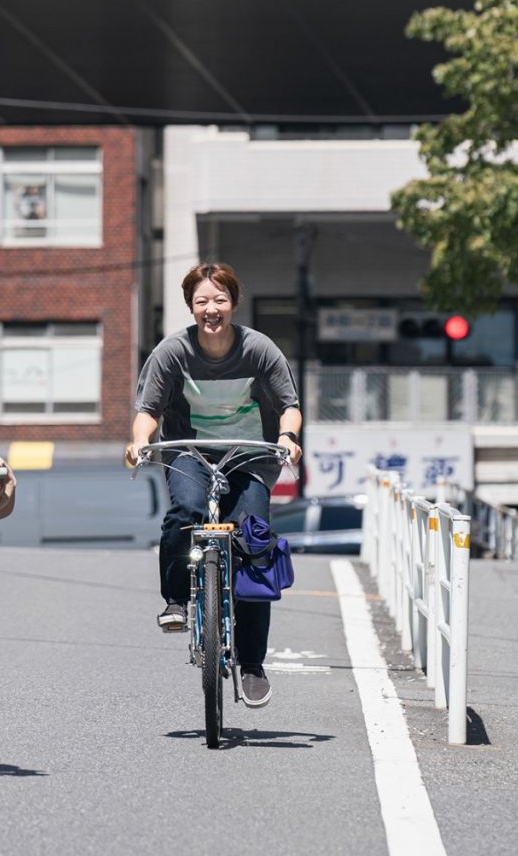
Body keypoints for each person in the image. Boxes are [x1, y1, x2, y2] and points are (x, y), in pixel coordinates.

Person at [125, 262, 302, 708]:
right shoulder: (173, 352)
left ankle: (253, 662)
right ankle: (177, 602)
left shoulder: (258, 348)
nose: (211, 309)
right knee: (184, 512)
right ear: (190, 306)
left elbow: (289, 405)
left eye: (219, 300)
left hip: (250, 456)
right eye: (202, 301)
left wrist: (288, 437)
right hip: (191, 453)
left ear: (233, 303)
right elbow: (148, 409)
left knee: (253, 540)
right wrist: (139, 441)